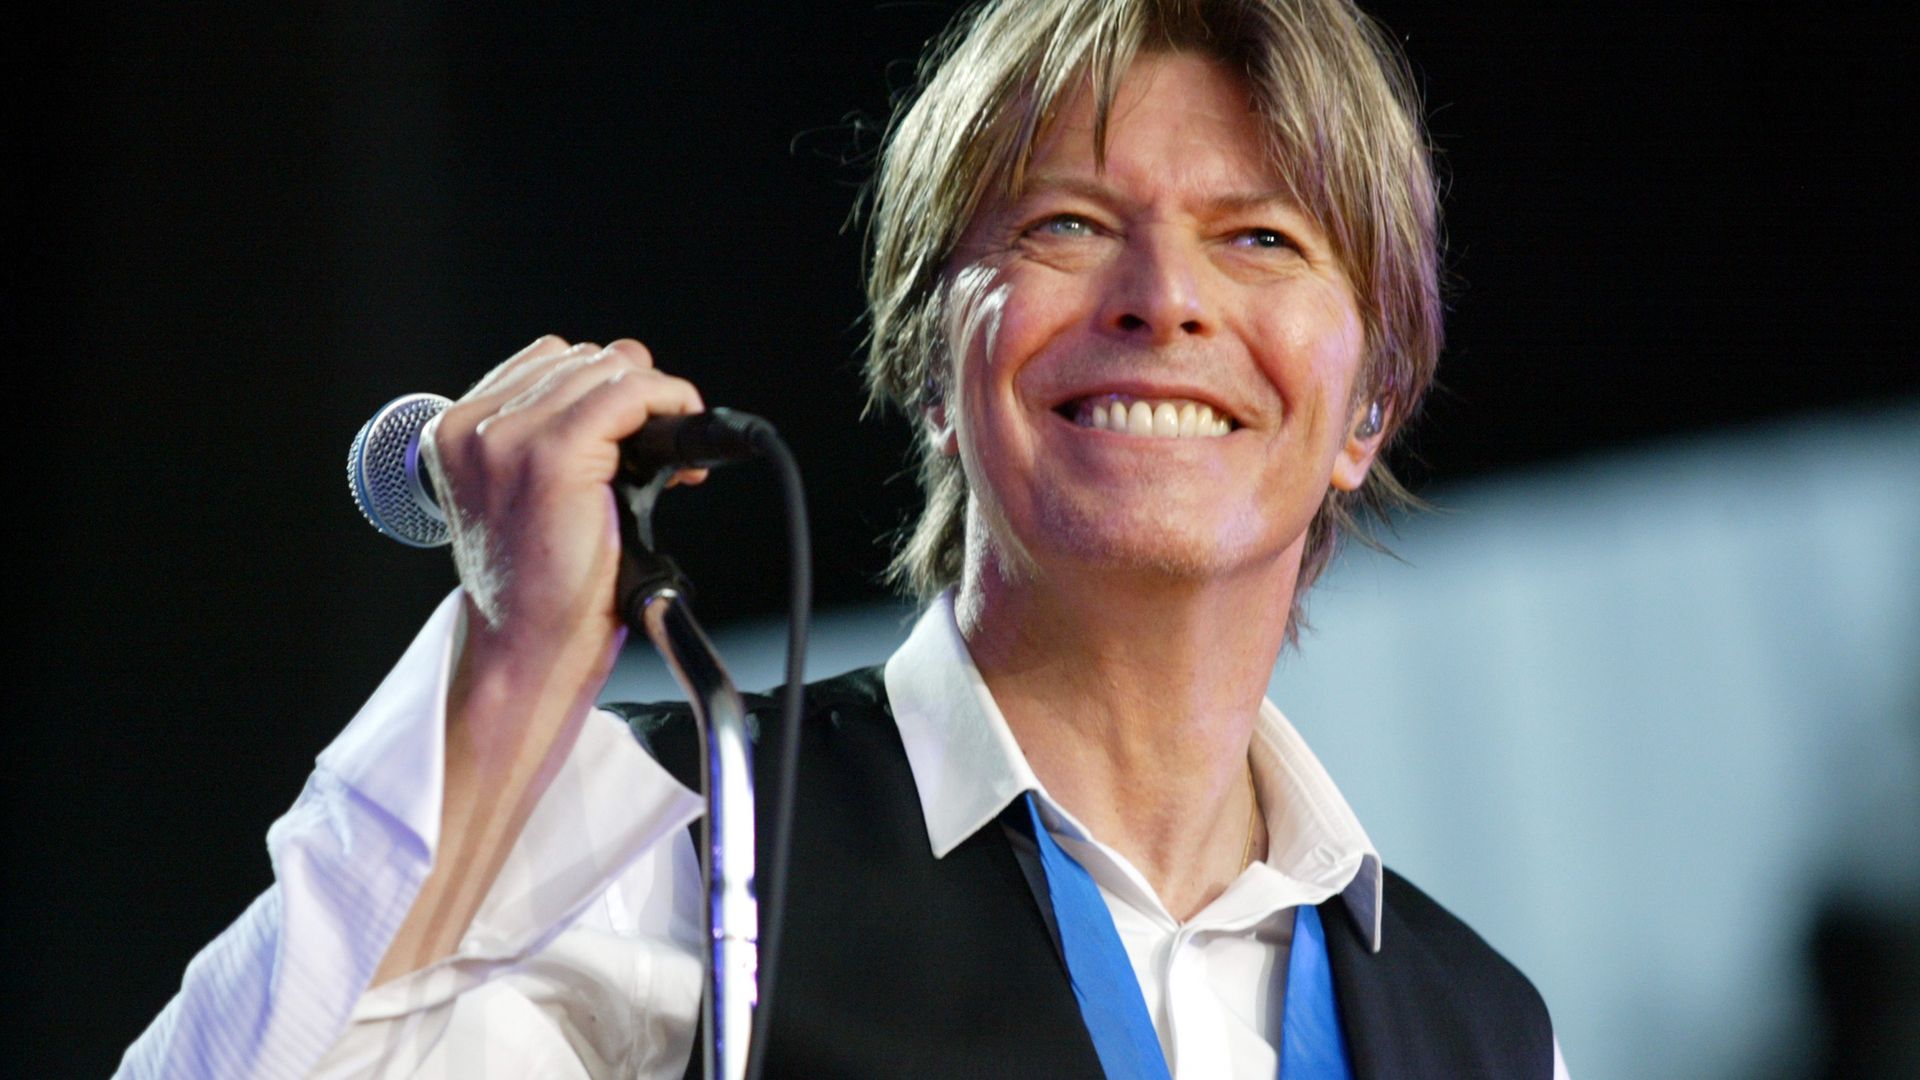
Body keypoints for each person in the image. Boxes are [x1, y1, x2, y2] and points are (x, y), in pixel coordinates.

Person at [120, 0, 1570, 1076]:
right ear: (932, 367)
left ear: (1369, 407)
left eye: (1262, 239)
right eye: (1067, 224)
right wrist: (513, 668)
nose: (1164, 298)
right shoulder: (676, 837)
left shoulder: (1488, 1033)